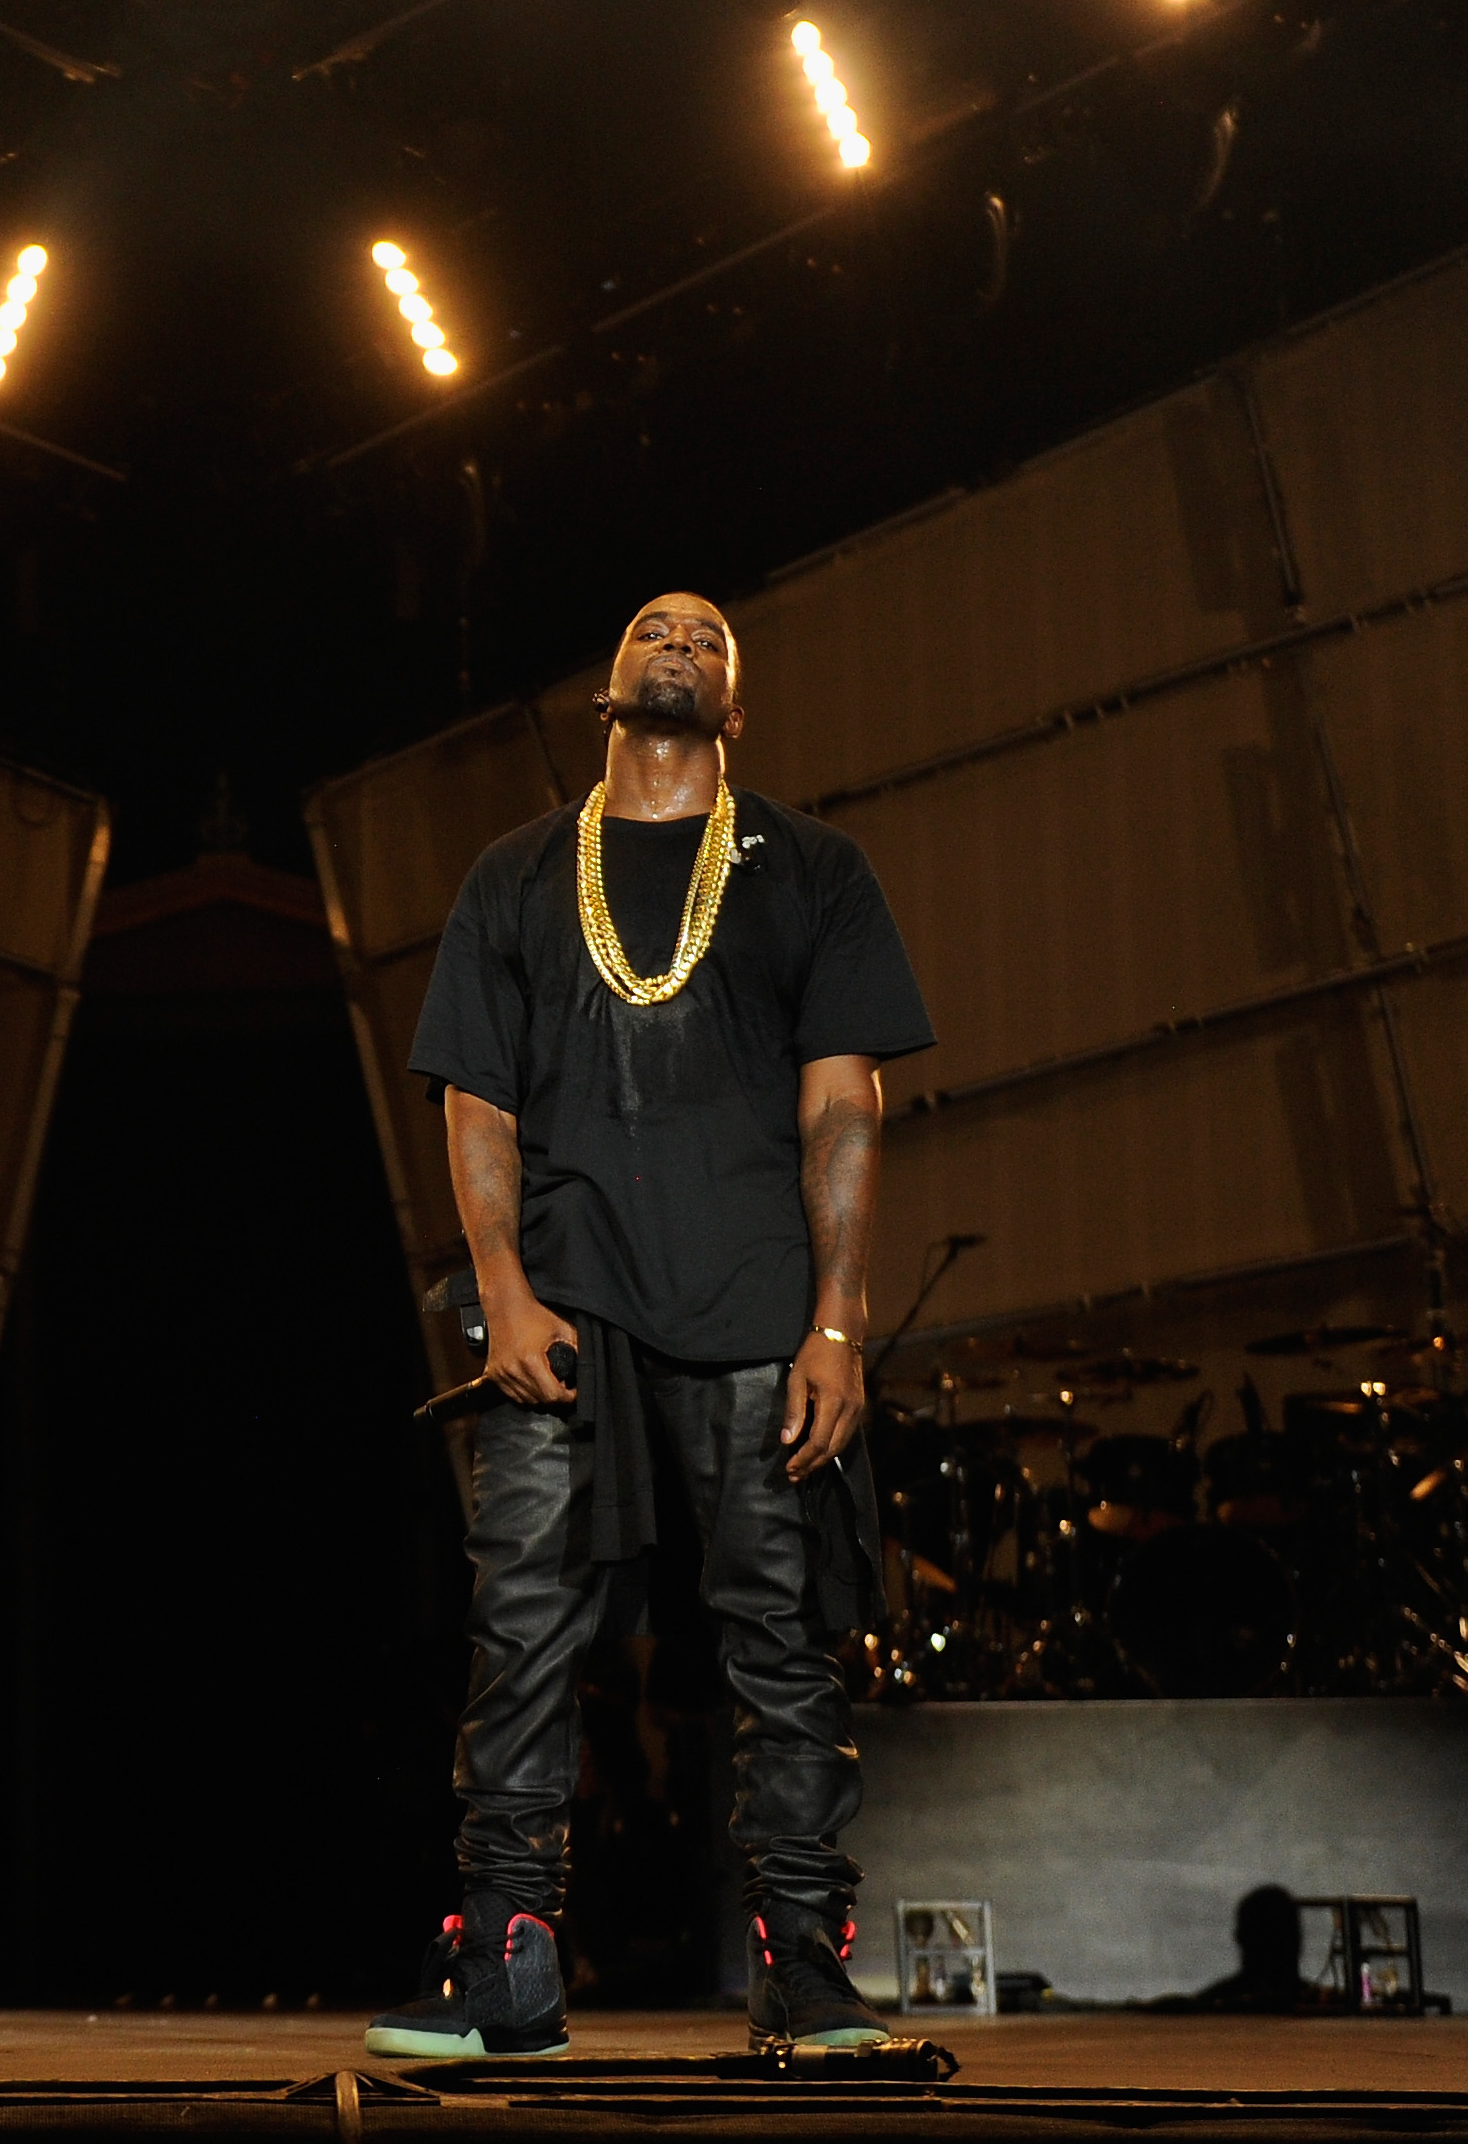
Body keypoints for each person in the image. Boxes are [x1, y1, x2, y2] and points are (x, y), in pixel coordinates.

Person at [365, 593, 933, 2061]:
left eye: (708, 632)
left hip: (760, 1312)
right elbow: (473, 1100)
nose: (678, 634)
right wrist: (497, 1290)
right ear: (604, 689)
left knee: (782, 1643)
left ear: (735, 704)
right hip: (566, 1302)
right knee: (524, 1634)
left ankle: (803, 1968)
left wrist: (840, 1323)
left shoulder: (812, 870)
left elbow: (843, 1103)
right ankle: (508, 1962)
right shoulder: (514, 875)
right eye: (647, 626)